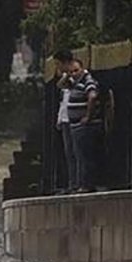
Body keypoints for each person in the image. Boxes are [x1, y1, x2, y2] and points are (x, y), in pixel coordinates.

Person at [66, 58, 103, 192]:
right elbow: (60, 85)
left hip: (85, 127)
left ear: (82, 69)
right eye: (71, 72)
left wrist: (88, 116)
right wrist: (67, 76)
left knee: (84, 156)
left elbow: (92, 96)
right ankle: (82, 183)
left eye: (76, 70)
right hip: (76, 126)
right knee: (79, 155)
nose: (74, 74)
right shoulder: (75, 83)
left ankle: (86, 185)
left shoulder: (88, 81)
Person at [53, 50, 76, 193]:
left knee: (75, 153)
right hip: (66, 118)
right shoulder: (65, 79)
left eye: (58, 64)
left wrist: (68, 74)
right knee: (69, 153)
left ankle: (76, 183)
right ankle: (71, 182)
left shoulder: (75, 77)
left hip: (74, 119)